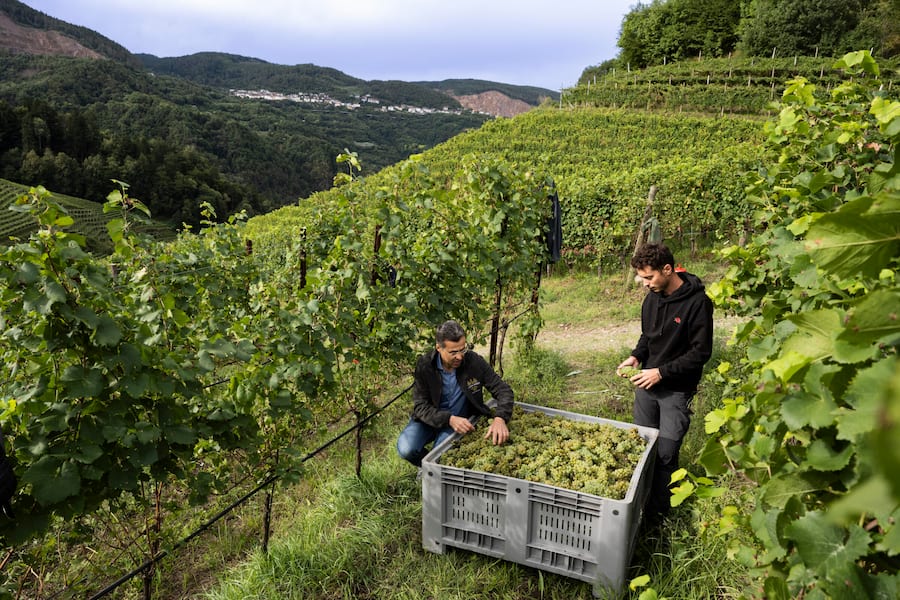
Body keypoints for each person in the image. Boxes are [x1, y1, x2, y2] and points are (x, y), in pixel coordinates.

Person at [617, 243, 713, 521]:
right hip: (646, 386)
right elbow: (647, 336)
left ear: (668, 269)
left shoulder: (698, 303)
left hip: (676, 390)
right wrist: (636, 357)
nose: (645, 284)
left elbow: (700, 353)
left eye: (649, 277)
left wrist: (661, 373)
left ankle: (659, 518)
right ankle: (639, 508)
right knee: (643, 447)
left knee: (666, 454)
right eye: (642, 278)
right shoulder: (652, 298)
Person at [397, 320, 514, 468]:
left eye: (462, 350)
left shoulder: (473, 362)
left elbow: (503, 390)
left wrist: (500, 418)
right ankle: (426, 468)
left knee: (440, 457)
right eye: (453, 352)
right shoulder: (425, 366)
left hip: (460, 422)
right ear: (439, 348)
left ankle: (431, 472)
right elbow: (420, 406)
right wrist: (449, 419)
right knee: (406, 449)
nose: (459, 356)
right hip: (429, 419)